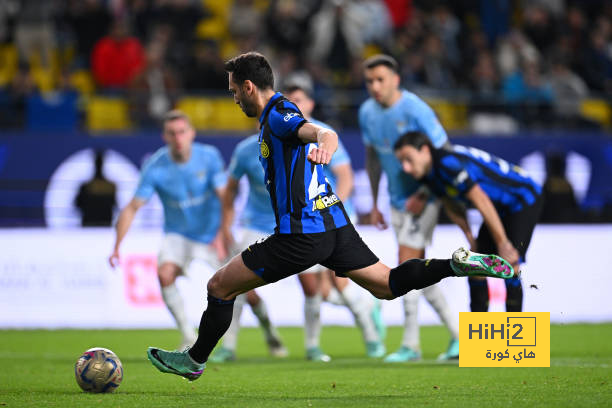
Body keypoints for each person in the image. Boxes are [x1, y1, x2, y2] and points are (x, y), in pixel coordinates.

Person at [146, 52, 515, 381]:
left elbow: (322, 132)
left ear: (248, 87)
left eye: (233, 91)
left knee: (218, 287)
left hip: (301, 234)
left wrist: (324, 145)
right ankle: (454, 265)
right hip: (334, 223)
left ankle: (195, 360)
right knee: (386, 285)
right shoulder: (275, 116)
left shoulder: (279, 114)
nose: (233, 98)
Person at [211, 76, 385, 363]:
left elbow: (345, 177)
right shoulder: (248, 147)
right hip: (257, 222)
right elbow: (229, 191)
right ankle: (228, 346)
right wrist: (224, 227)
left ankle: (336, 338)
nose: (294, 107)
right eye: (291, 102)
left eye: (300, 102)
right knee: (234, 284)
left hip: (305, 222)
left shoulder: (318, 135)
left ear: (310, 104)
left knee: (324, 287)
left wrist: (329, 214)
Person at [359, 54, 460, 362]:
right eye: (369, 81)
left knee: (405, 264)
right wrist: (375, 202)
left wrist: (428, 192)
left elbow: (444, 154)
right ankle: (459, 336)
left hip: (425, 197)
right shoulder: (367, 112)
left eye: (380, 80)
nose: (375, 87)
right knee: (418, 271)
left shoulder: (416, 109)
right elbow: (374, 159)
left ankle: (411, 344)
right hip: (397, 201)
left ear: (395, 80)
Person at [109, 110, 228, 351]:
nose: (178, 138)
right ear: (164, 136)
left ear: (192, 133)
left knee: (246, 289)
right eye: (172, 133)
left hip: (210, 233)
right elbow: (132, 207)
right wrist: (117, 246)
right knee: (164, 275)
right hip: (177, 234)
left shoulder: (209, 157)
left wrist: (222, 233)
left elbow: (226, 199)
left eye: (182, 132)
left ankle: (268, 330)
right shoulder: (156, 166)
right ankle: (188, 335)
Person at [392, 131, 543, 313]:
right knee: (476, 266)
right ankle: (478, 340)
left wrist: (502, 243)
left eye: (408, 159)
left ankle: (517, 338)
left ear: (424, 150)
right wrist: (471, 240)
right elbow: (451, 204)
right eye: (402, 162)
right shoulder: (430, 173)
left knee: (510, 262)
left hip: (522, 198)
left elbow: (481, 200)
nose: (406, 168)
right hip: (499, 207)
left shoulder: (448, 163)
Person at [75, 150, 117, 227]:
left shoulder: (86, 186)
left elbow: (78, 204)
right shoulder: (110, 186)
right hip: (96, 225)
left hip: (96, 225)